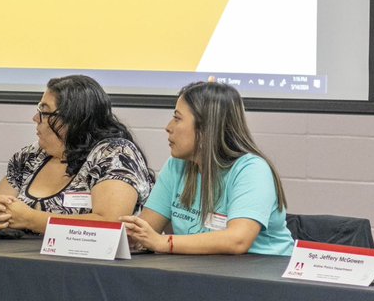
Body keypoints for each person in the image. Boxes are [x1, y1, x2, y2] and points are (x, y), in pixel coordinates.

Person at [121, 81, 294, 255]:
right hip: (205, 272)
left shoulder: (251, 169)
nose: (168, 127)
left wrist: (164, 242)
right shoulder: (176, 165)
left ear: (205, 128)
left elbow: (238, 240)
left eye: (177, 118)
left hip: (262, 275)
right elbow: (145, 231)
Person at [0, 75, 153, 232]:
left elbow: (111, 224)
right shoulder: (30, 156)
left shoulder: (115, 154)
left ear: (73, 118)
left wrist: (32, 219)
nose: (35, 118)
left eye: (44, 112)